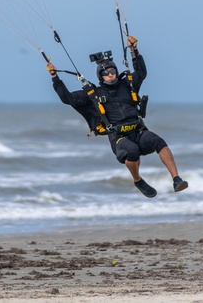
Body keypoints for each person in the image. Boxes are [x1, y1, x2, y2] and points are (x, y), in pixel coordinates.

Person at [48, 35, 188, 198]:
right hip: (119, 137)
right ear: (101, 76)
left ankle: (176, 179)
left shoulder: (127, 85)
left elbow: (141, 72)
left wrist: (134, 50)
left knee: (159, 142)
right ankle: (138, 181)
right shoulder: (94, 94)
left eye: (113, 71)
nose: (110, 75)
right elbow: (68, 99)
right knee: (132, 151)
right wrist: (55, 78)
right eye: (106, 73)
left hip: (138, 130)